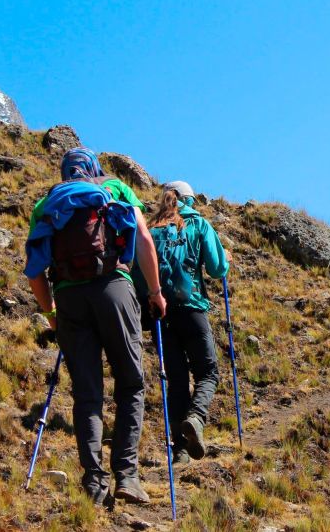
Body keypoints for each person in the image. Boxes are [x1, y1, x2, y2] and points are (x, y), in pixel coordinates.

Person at [24, 147, 166, 505]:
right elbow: (144, 240)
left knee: (87, 394)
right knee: (131, 381)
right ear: (94, 167)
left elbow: (34, 273)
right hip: (113, 288)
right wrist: (155, 292)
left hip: (69, 297)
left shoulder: (48, 204)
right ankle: (127, 476)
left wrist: (53, 313)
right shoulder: (115, 187)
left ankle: (94, 483)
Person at [133, 181, 229, 465]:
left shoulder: (151, 229)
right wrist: (227, 261)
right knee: (208, 372)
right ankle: (196, 419)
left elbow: (139, 273)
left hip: (161, 314)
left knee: (175, 381)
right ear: (190, 200)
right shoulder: (198, 224)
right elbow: (216, 268)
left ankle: (180, 451)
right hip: (192, 309)